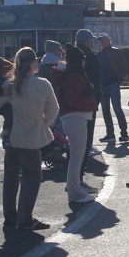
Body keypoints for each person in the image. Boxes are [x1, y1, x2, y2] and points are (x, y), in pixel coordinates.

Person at [0, 47, 59, 229]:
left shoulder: (10, 85)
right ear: (33, 63)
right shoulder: (42, 85)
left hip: (11, 137)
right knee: (32, 177)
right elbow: (53, 110)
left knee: (11, 178)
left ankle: (10, 217)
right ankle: (25, 218)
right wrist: (43, 122)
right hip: (30, 137)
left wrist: (7, 112)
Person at [50, 45, 98, 207]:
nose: (84, 62)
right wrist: (92, 104)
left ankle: (76, 189)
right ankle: (75, 192)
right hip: (75, 118)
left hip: (72, 118)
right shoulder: (74, 77)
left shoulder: (69, 75)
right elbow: (73, 100)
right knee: (76, 159)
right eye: (82, 59)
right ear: (79, 61)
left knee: (76, 158)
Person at [75, 30, 102, 175]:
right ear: (87, 42)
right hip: (88, 99)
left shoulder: (70, 56)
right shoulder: (91, 57)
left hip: (72, 102)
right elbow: (96, 79)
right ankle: (80, 171)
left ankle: (76, 171)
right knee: (86, 136)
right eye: (91, 40)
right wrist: (97, 97)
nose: (93, 43)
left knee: (75, 139)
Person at [96, 33, 129, 143]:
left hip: (113, 84)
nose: (102, 42)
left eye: (103, 40)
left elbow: (123, 67)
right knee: (105, 111)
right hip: (103, 86)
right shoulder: (99, 54)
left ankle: (124, 133)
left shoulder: (116, 52)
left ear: (108, 40)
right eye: (100, 40)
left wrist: (118, 81)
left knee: (117, 109)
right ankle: (110, 134)